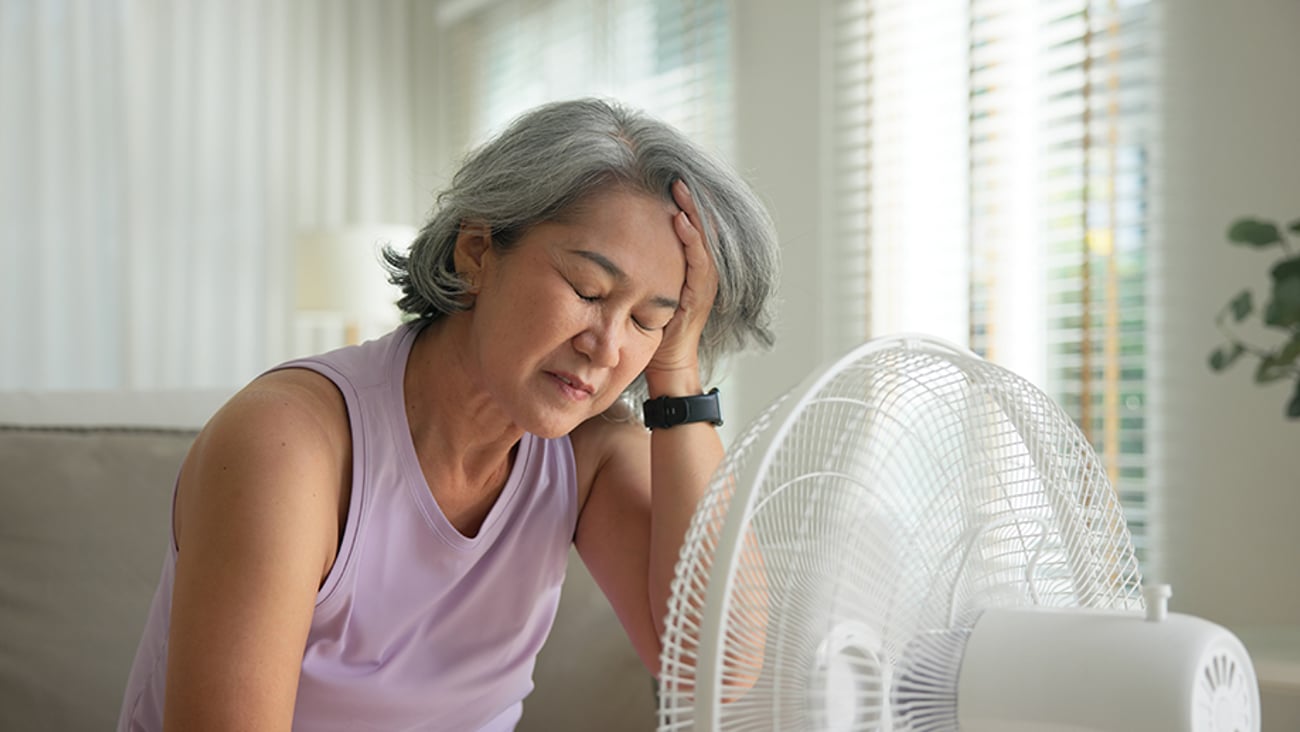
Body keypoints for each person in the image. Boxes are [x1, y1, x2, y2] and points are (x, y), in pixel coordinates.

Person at [117, 97, 779, 731]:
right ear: (477, 249)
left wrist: (678, 378)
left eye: (648, 320)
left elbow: (718, 669)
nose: (605, 347)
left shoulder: (588, 453)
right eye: (587, 290)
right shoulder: (290, 444)